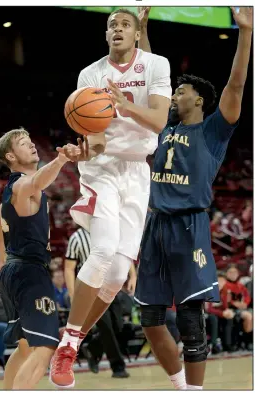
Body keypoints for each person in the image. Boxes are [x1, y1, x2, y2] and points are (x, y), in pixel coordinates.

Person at [50, 7, 171, 388]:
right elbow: (98, 136)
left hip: (137, 172)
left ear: (137, 34)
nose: (116, 29)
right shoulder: (91, 74)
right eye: (111, 25)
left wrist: (122, 104)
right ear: (106, 35)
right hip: (103, 171)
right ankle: (68, 348)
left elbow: (158, 121)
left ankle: (72, 339)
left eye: (124, 24)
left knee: (118, 274)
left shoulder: (156, 64)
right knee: (101, 253)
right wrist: (83, 152)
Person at [134, 6, 253, 391]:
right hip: (155, 224)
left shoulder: (215, 130)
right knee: (149, 318)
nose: (173, 95)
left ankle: (196, 391)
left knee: (190, 319)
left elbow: (235, 85)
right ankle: (180, 382)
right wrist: (143, 28)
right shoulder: (166, 123)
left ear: (199, 100)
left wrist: (246, 33)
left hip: (189, 223)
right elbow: (152, 74)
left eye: (181, 91)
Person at [0, 128, 84, 389]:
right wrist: (61, 160)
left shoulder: (12, 189)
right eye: (24, 143)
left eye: (32, 141)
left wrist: (2, 259)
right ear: (11, 156)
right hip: (29, 273)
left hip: (14, 270)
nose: (32, 145)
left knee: (24, 349)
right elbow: (36, 183)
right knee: (45, 347)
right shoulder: (22, 184)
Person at [64, 226, 136, 378]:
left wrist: (133, 276)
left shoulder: (110, 230)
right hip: (90, 290)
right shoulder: (77, 238)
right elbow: (69, 268)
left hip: (111, 287)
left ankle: (93, 348)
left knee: (118, 326)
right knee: (106, 328)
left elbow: (123, 254)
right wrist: (73, 294)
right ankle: (118, 367)